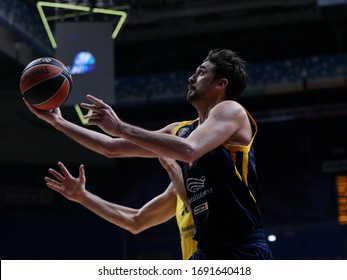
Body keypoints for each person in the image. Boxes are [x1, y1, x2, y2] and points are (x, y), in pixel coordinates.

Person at [24, 48, 272, 259]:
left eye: (201, 72)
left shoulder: (231, 110)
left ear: (221, 84)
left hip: (240, 245)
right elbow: (111, 148)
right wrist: (57, 122)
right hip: (206, 250)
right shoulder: (180, 130)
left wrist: (120, 127)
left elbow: (189, 150)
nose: (191, 78)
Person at [44, 159, 196, 260]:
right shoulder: (179, 184)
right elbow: (136, 221)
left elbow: (196, 205)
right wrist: (83, 197)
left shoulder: (216, 177)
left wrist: (170, 165)